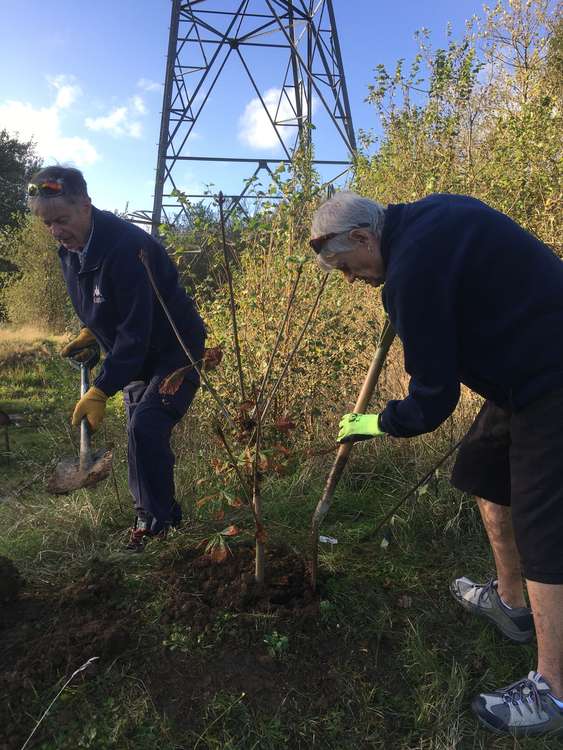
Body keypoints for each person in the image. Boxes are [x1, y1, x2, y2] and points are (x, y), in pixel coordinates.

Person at [309, 190, 563, 738]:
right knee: (482, 472)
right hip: (521, 377)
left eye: (350, 268)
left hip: (553, 379)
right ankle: (511, 603)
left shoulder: (410, 274)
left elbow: (432, 402)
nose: (351, 280)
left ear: (362, 237)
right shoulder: (434, 214)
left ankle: (553, 693)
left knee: (544, 529)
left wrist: (375, 422)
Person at [28, 166, 206, 551]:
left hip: (175, 348)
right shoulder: (71, 250)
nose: (56, 231)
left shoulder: (126, 247)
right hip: (136, 354)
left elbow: (136, 331)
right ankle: (153, 516)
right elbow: (103, 303)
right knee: (138, 434)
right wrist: (94, 331)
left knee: (146, 426)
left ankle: (158, 525)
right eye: (47, 224)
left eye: (61, 219)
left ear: (86, 205)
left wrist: (101, 388)